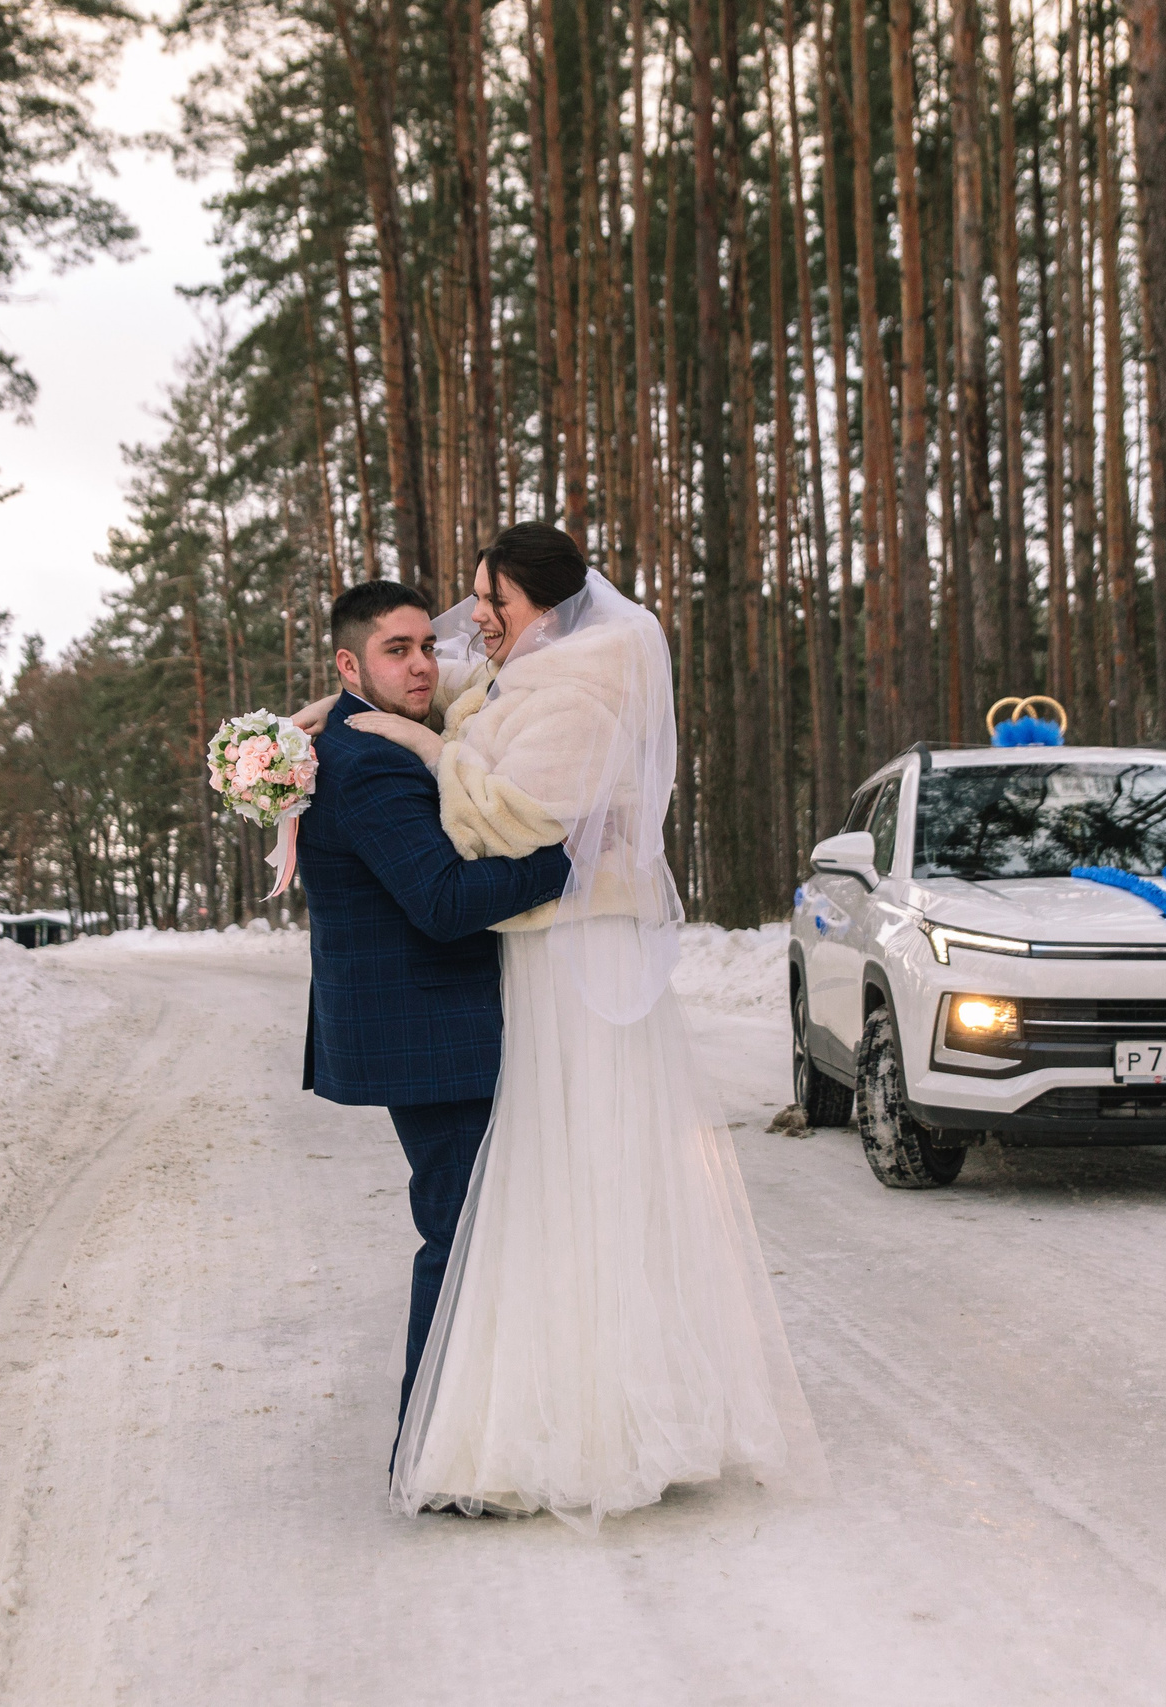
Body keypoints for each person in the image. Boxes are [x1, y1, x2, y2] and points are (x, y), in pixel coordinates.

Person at [322, 522, 820, 1532]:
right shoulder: (530, 672)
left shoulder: (580, 693)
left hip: (570, 958)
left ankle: (598, 1418)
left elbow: (495, 825)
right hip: (537, 958)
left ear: (540, 606)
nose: (472, 625)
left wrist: (422, 743)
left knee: (576, 1185)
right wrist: (315, 719)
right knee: (535, 1194)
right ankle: (520, 1408)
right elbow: (456, 680)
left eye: (489, 603)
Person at [296, 580, 573, 1443]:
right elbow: (446, 900)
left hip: (423, 1024)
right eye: (398, 650)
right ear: (350, 664)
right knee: (460, 1232)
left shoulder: (351, 733)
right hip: (433, 1031)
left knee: (468, 1225)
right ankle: (434, 1450)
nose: (423, 664)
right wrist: (567, 855)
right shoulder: (370, 761)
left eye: (426, 645)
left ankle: (463, 1435)